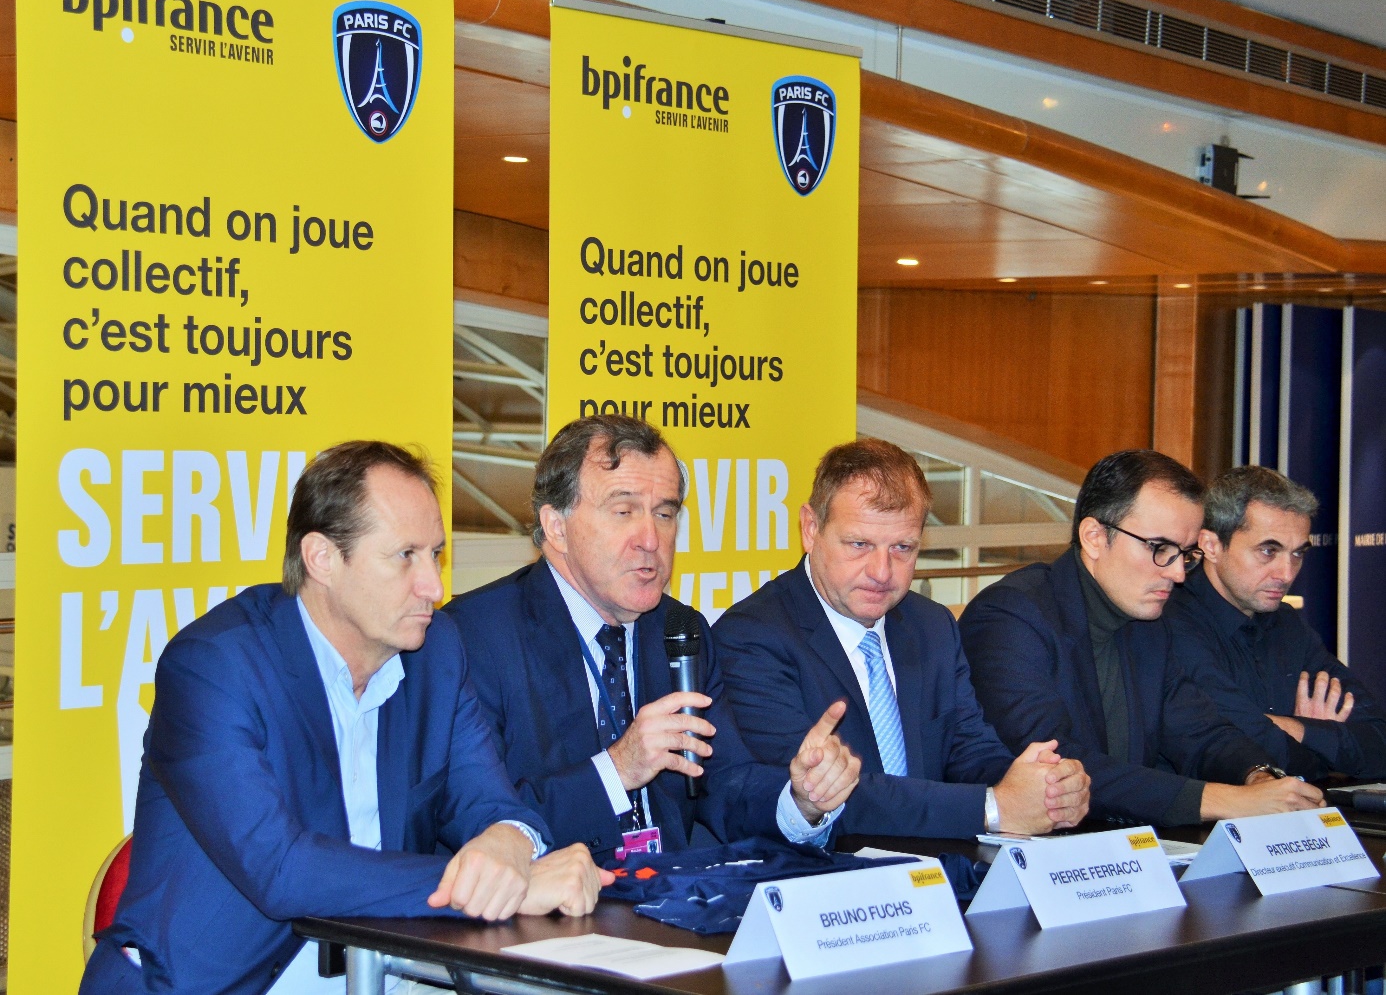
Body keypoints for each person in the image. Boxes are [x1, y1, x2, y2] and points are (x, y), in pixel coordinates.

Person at [81, 442, 607, 995]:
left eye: (435, 554)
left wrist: (511, 843)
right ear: (322, 559)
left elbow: (492, 803)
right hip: (222, 982)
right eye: (404, 556)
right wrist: (487, 888)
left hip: (389, 970)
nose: (434, 587)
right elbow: (281, 870)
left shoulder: (436, 652)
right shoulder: (215, 667)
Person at [445, 416, 861, 859]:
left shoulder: (680, 630)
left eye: (664, 514)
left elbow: (725, 783)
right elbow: (476, 822)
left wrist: (801, 800)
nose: (650, 539)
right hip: (548, 894)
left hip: (668, 891)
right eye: (623, 511)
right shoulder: (473, 637)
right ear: (556, 527)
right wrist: (616, 770)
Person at [714, 438, 1090, 840]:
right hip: (826, 868)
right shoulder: (752, 636)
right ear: (811, 528)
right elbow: (823, 797)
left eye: (902, 548)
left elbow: (969, 752)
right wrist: (994, 808)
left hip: (937, 866)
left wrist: (1042, 788)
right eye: (859, 544)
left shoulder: (932, 625)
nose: (882, 571)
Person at [959, 449, 1326, 826]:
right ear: (1094, 537)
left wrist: (1257, 777)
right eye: (1160, 549)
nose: (1178, 574)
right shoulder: (1010, 616)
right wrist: (1227, 800)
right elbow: (1058, 765)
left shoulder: (1149, 622)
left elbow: (1199, 730)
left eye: (1186, 554)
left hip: (1123, 844)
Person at [1166, 465, 1386, 780]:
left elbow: (1380, 740)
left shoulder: (1288, 625)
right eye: (1269, 551)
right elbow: (1235, 744)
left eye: (1297, 554)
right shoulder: (1171, 621)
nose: (1286, 574)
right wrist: (1324, 744)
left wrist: (1297, 728)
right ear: (1211, 546)